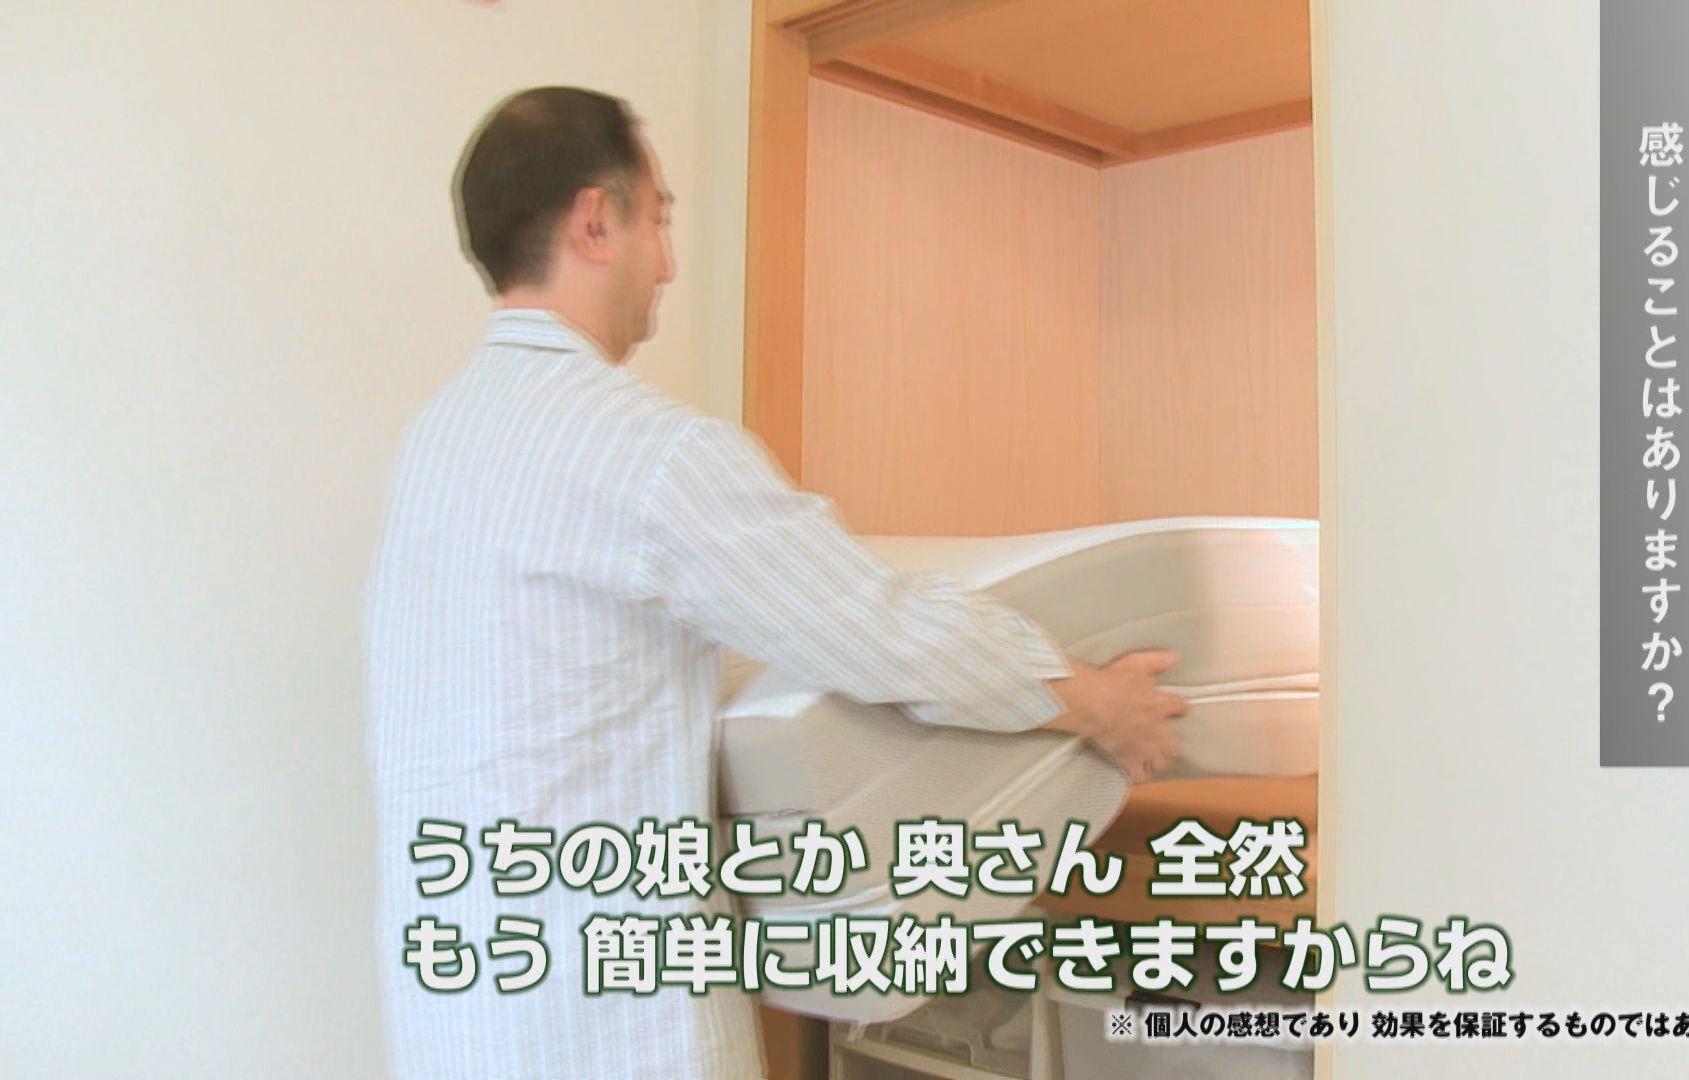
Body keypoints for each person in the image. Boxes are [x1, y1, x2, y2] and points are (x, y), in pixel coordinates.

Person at [364, 86, 1187, 1080]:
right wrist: (1092, 700)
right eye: (658, 219)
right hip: (599, 1029)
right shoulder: (643, 452)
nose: (669, 265)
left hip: (457, 1018)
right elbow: (871, 626)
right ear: (595, 222)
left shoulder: (440, 442)